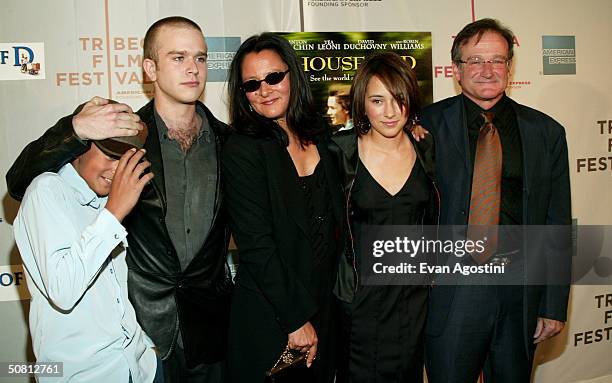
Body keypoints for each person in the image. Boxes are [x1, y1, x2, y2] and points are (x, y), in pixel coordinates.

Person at [6, 16, 232, 383]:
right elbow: (20, 183)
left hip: (211, 332)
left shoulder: (230, 143)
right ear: (150, 68)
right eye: (178, 57)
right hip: (139, 333)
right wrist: (76, 129)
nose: (193, 68)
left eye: (201, 58)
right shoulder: (119, 134)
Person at [420, 19, 571, 383]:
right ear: (456, 70)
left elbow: (557, 221)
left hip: (520, 295)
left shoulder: (546, 132)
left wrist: (552, 305)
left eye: (497, 60)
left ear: (510, 67)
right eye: (475, 61)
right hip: (452, 294)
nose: (487, 71)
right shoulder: (424, 126)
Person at [222, 32, 344, 382]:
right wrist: (295, 319)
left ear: (292, 75)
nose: (266, 89)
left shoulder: (321, 137)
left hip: (324, 306)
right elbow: (257, 246)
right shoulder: (242, 149)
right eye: (252, 84)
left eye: (274, 77)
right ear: (243, 93)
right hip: (275, 315)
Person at [13, 122, 161, 382]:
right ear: (80, 148)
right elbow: (64, 290)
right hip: (83, 375)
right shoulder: (47, 189)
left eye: (127, 160)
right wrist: (114, 213)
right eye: (111, 155)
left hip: (139, 368)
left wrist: (145, 346)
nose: (117, 169)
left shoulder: (106, 200)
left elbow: (114, 291)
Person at [329, 52, 438, 382]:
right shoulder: (339, 152)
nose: (390, 112)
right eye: (378, 100)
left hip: (414, 299)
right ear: (362, 103)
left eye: (398, 99)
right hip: (360, 303)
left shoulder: (425, 147)